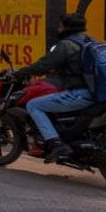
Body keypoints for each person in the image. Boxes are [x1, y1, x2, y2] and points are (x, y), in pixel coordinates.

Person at [12, 13, 96, 162]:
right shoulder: (90, 41)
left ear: (66, 27)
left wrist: (20, 73)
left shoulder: (66, 45)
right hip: (96, 93)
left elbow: (43, 65)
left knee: (34, 105)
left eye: (60, 26)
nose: (58, 29)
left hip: (80, 94)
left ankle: (56, 144)